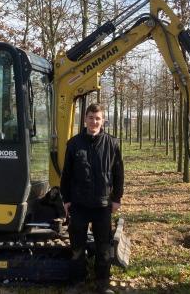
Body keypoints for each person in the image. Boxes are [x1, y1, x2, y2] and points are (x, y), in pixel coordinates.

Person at [60, 103, 124, 294]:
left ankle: (102, 284)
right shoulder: (73, 144)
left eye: (97, 118)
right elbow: (66, 175)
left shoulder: (112, 143)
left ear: (103, 120)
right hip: (79, 204)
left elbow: (118, 174)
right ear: (85, 119)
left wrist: (116, 198)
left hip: (102, 205)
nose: (94, 121)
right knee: (77, 246)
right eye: (90, 117)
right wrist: (66, 200)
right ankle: (77, 282)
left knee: (103, 247)